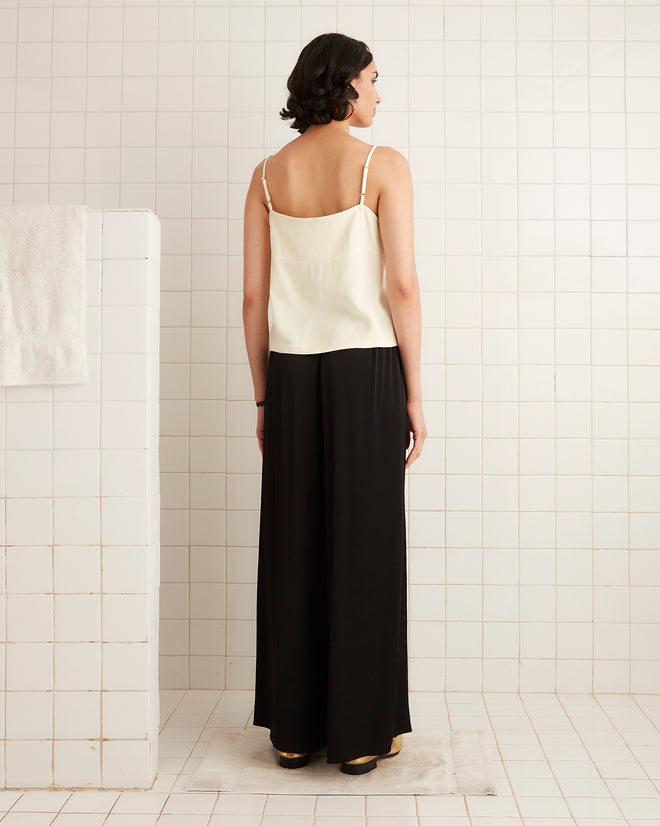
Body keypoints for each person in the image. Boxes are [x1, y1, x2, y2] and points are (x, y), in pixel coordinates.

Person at [242, 32, 426, 776]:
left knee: (295, 544)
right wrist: (415, 394)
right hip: (367, 373)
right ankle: (359, 737)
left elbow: (253, 299)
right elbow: (402, 286)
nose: (379, 93)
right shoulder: (383, 166)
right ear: (345, 85)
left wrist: (263, 398)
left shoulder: (265, 176)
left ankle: (294, 732)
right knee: (366, 546)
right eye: (373, 79)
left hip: (289, 375)